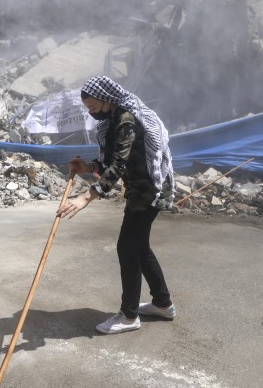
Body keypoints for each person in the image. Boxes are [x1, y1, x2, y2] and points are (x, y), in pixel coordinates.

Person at [57, 76, 177, 335]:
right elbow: (112, 160)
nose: (91, 112)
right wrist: (88, 167)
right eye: (87, 108)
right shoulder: (112, 119)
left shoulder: (126, 120)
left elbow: (119, 165)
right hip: (139, 188)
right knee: (139, 246)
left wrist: (86, 197)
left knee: (128, 248)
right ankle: (162, 303)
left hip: (149, 189)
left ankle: (129, 314)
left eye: (92, 107)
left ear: (105, 99)